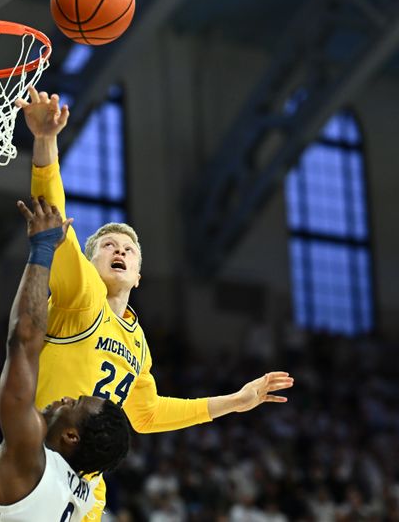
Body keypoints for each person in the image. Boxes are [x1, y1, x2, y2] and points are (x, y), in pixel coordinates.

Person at [16, 87, 295, 520]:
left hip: (87, 489)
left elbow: (146, 414)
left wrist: (234, 402)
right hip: (39, 461)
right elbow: (53, 217)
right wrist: (45, 142)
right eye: (108, 246)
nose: (120, 251)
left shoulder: (138, 342)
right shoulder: (81, 295)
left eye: (128, 249)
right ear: (89, 263)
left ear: (139, 274)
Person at [0, 196, 132, 522]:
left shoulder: (27, 455)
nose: (65, 398)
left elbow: (23, 342)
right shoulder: (83, 495)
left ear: (71, 436)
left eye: (74, 403)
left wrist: (42, 249)